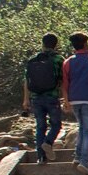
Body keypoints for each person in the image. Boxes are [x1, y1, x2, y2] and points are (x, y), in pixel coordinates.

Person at [62, 32, 88, 175]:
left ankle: (77, 156)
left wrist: (66, 101)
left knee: (81, 128)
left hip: (74, 100)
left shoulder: (67, 62)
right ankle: (84, 161)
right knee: (87, 131)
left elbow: (65, 84)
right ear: (86, 44)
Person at [22, 33, 66, 165]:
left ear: (42, 43)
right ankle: (47, 143)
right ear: (56, 44)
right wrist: (65, 98)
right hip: (52, 97)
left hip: (36, 98)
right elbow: (63, 80)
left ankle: (40, 157)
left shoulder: (32, 60)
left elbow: (26, 81)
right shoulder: (58, 59)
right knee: (56, 124)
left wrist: (26, 99)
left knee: (40, 126)